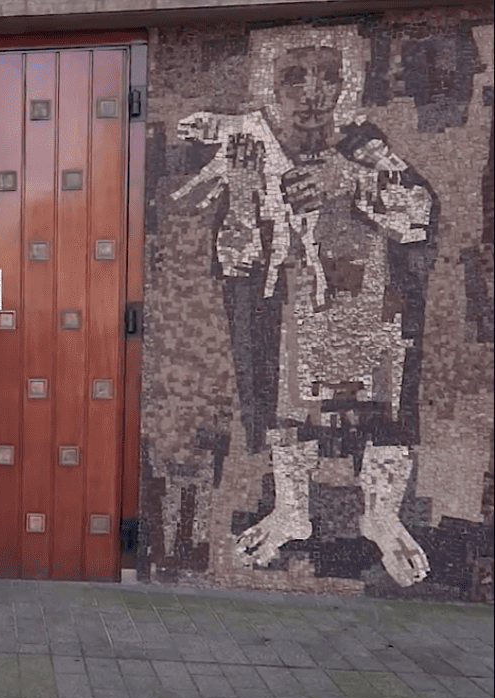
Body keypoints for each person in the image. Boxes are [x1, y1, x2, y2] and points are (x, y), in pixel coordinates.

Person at [173, 27, 434, 586]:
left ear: (347, 84)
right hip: (297, 309)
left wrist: (354, 185)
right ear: (271, 85)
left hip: (369, 304)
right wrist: (242, 193)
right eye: (295, 76)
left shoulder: (363, 144)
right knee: (290, 416)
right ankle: (293, 513)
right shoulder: (253, 147)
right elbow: (235, 253)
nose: (314, 91)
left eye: (328, 75)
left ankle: (382, 517)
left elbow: (418, 213)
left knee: (384, 417)